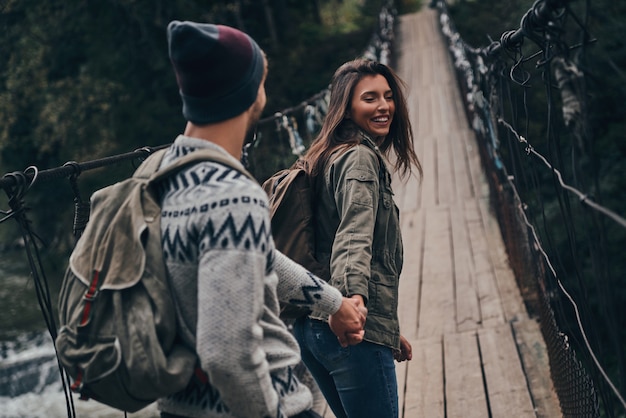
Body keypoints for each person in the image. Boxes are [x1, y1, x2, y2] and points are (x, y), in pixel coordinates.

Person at [157, 21, 366, 418]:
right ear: (251, 92)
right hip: (264, 406)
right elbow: (227, 355)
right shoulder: (233, 195)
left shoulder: (160, 176)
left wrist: (333, 303)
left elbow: (257, 255)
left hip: (179, 407)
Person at [294, 58, 423, 418]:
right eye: (370, 98)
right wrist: (352, 307)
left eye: (387, 96)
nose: (384, 106)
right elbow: (353, 236)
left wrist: (385, 328)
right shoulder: (360, 160)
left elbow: (329, 241)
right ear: (346, 110)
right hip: (345, 331)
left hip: (312, 328)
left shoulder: (323, 156)